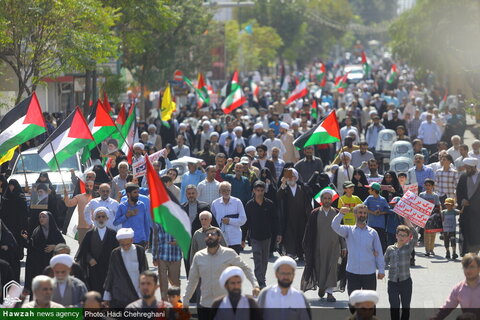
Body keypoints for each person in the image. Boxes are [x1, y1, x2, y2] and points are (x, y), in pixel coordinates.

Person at [183, 227, 259, 315]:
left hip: (225, 305)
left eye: (213, 234)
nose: (210, 236)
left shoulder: (229, 253)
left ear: (219, 238)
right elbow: (192, 280)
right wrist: (186, 299)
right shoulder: (199, 256)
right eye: (207, 235)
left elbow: (245, 268)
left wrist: (255, 284)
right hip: (205, 304)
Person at [302, 189, 346, 302]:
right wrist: (306, 248)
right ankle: (322, 286)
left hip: (334, 247)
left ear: (332, 199)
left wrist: (343, 246)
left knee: (333, 268)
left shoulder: (337, 212)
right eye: (325, 198)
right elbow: (309, 232)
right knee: (319, 267)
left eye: (329, 198)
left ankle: (330, 292)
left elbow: (342, 231)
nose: (327, 200)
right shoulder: (315, 213)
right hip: (318, 247)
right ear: (321, 200)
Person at [331, 205, 385, 296]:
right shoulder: (348, 230)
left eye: (364, 213)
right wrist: (340, 214)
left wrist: (381, 270)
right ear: (355, 214)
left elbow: (378, 252)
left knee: (369, 303)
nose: (362, 215)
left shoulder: (373, 233)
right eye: (360, 212)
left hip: (369, 273)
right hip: (353, 272)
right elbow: (334, 226)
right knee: (354, 303)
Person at [75, 207, 119, 294]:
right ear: (94, 219)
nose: (101, 219)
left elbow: (117, 251)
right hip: (93, 268)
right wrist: (89, 259)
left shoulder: (113, 234)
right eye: (98, 217)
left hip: (108, 268)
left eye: (103, 216)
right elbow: (83, 250)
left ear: (107, 218)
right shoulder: (89, 233)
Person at [245, 181, 279, 288]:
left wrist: (278, 233)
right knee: (257, 257)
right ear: (254, 191)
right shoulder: (249, 205)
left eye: (262, 190)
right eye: (257, 190)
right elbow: (246, 222)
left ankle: (262, 277)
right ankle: (260, 281)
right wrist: (243, 238)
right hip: (254, 236)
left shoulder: (269, 204)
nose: (259, 193)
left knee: (264, 259)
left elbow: (275, 220)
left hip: (267, 236)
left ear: (264, 191)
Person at [103, 228, 149, 308]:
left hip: (137, 291)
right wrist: (106, 295)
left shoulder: (139, 250)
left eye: (127, 244)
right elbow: (111, 273)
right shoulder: (115, 253)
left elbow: (145, 271)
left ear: (132, 240)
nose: (125, 247)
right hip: (120, 293)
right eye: (122, 244)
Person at [384, 219, 418, 320]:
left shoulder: (408, 247)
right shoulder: (390, 249)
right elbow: (384, 262)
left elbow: (415, 235)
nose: (402, 237)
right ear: (396, 236)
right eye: (400, 235)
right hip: (393, 283)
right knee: (394, 307)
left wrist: (408, 222)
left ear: (408, 238)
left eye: (404, 235)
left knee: (406, 308)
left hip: (405, 282)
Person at [24, 211, 65, 292]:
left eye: (44, 217)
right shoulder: (36, 231)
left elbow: (64, 245)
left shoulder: (55, 231)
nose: (41, 219)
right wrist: (26, 240)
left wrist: (54, 246)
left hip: (51, 262)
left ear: (49, 218)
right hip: (38, 264)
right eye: (40, 217)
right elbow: (32, 247)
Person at [278, 168, 312, 260]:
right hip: (288, 217)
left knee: (301, 235)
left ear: (296, 177)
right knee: (290, 236)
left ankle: (301, 254)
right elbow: (278, 197)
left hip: (301, 218)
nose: (290, 178)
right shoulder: (285, 188)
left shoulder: (302, 188)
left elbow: (308, 203)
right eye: (289, 176)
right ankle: (290, 253)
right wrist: (283, 183)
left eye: (292, 176)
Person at [433, 253, 480, 320]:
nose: (468, 270)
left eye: (471, 266)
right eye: (465, 267)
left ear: (479, 268)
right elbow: (446, 308)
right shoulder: (459, 288)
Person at [0, 179, 28, 280]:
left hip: (17, 226)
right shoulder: (5, 196)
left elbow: (24, 213)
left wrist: (23, 226)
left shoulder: (20, 197)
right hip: (7, 225)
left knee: (17, 245)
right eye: (10, 185)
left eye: (13, 185)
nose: (11, 187)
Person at [211, 181, 247, 254]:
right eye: (224, 190)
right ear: (219, 191)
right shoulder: (215, 203)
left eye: (228, 190)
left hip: (234, 238)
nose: (226, 192)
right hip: (220, 238)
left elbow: (243, 219)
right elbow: (212, 221)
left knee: (234, 263)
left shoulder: (237, 202)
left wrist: (230, 221)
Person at [456, 157, 480, 255]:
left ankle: (475, 252)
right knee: (466, 231)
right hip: (466, 211)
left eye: (468, 168)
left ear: (474, 167)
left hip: (478, 212)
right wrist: (462, 200)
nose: (467, 170)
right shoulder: (463, 177)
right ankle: (468, 253)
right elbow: (459, 191)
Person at [113, 183, 151, 248]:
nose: (137, 195)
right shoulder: (122, 206)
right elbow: (115, 222)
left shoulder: (141, 205)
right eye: (135, 192)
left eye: (138, 192)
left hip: (140, 240)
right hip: (127, 240)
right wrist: (126, 216)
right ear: (128, 194)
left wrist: (147, 239)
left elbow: (146, 223)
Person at [152, 222, 182, 301]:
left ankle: (175, 300)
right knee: (163, 280)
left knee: (174, 280)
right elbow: (155, 239)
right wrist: (154, 257)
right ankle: (164, 301)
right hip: (162, 255)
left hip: (175, 255)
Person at [63, 180, 94, 244]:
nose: (89, 187)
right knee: (81, 246)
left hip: (94, 228)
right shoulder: (79, 197)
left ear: (93, 187)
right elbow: (69, 203)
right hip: (82, 227)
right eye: (87, 186)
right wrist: (66, 196)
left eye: (91, 186)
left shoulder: (97, 198)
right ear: (84, 186)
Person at [364, 183, 390, 253]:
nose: (368, 190)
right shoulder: (369, 198)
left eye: (369, 189)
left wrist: (381, 213)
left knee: (381, 242)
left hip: (380, 225)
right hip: (370, 224)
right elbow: (364, 207)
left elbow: (388, 210)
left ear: (373, 190)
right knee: (370, 242)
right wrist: (373, 212)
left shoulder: (383, 199)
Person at [419, 178, 441, 256]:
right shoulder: (422, 195)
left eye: (429, 185)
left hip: (433, 217)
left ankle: (432, 249)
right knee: (426, 234)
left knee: (433, 234)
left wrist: (439, 217)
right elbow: (419, 205)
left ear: (432, 186)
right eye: (426, 185)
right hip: (425, 217)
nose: (428, 187)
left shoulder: (435, 196)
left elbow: (438, 206)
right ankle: (427, 250)